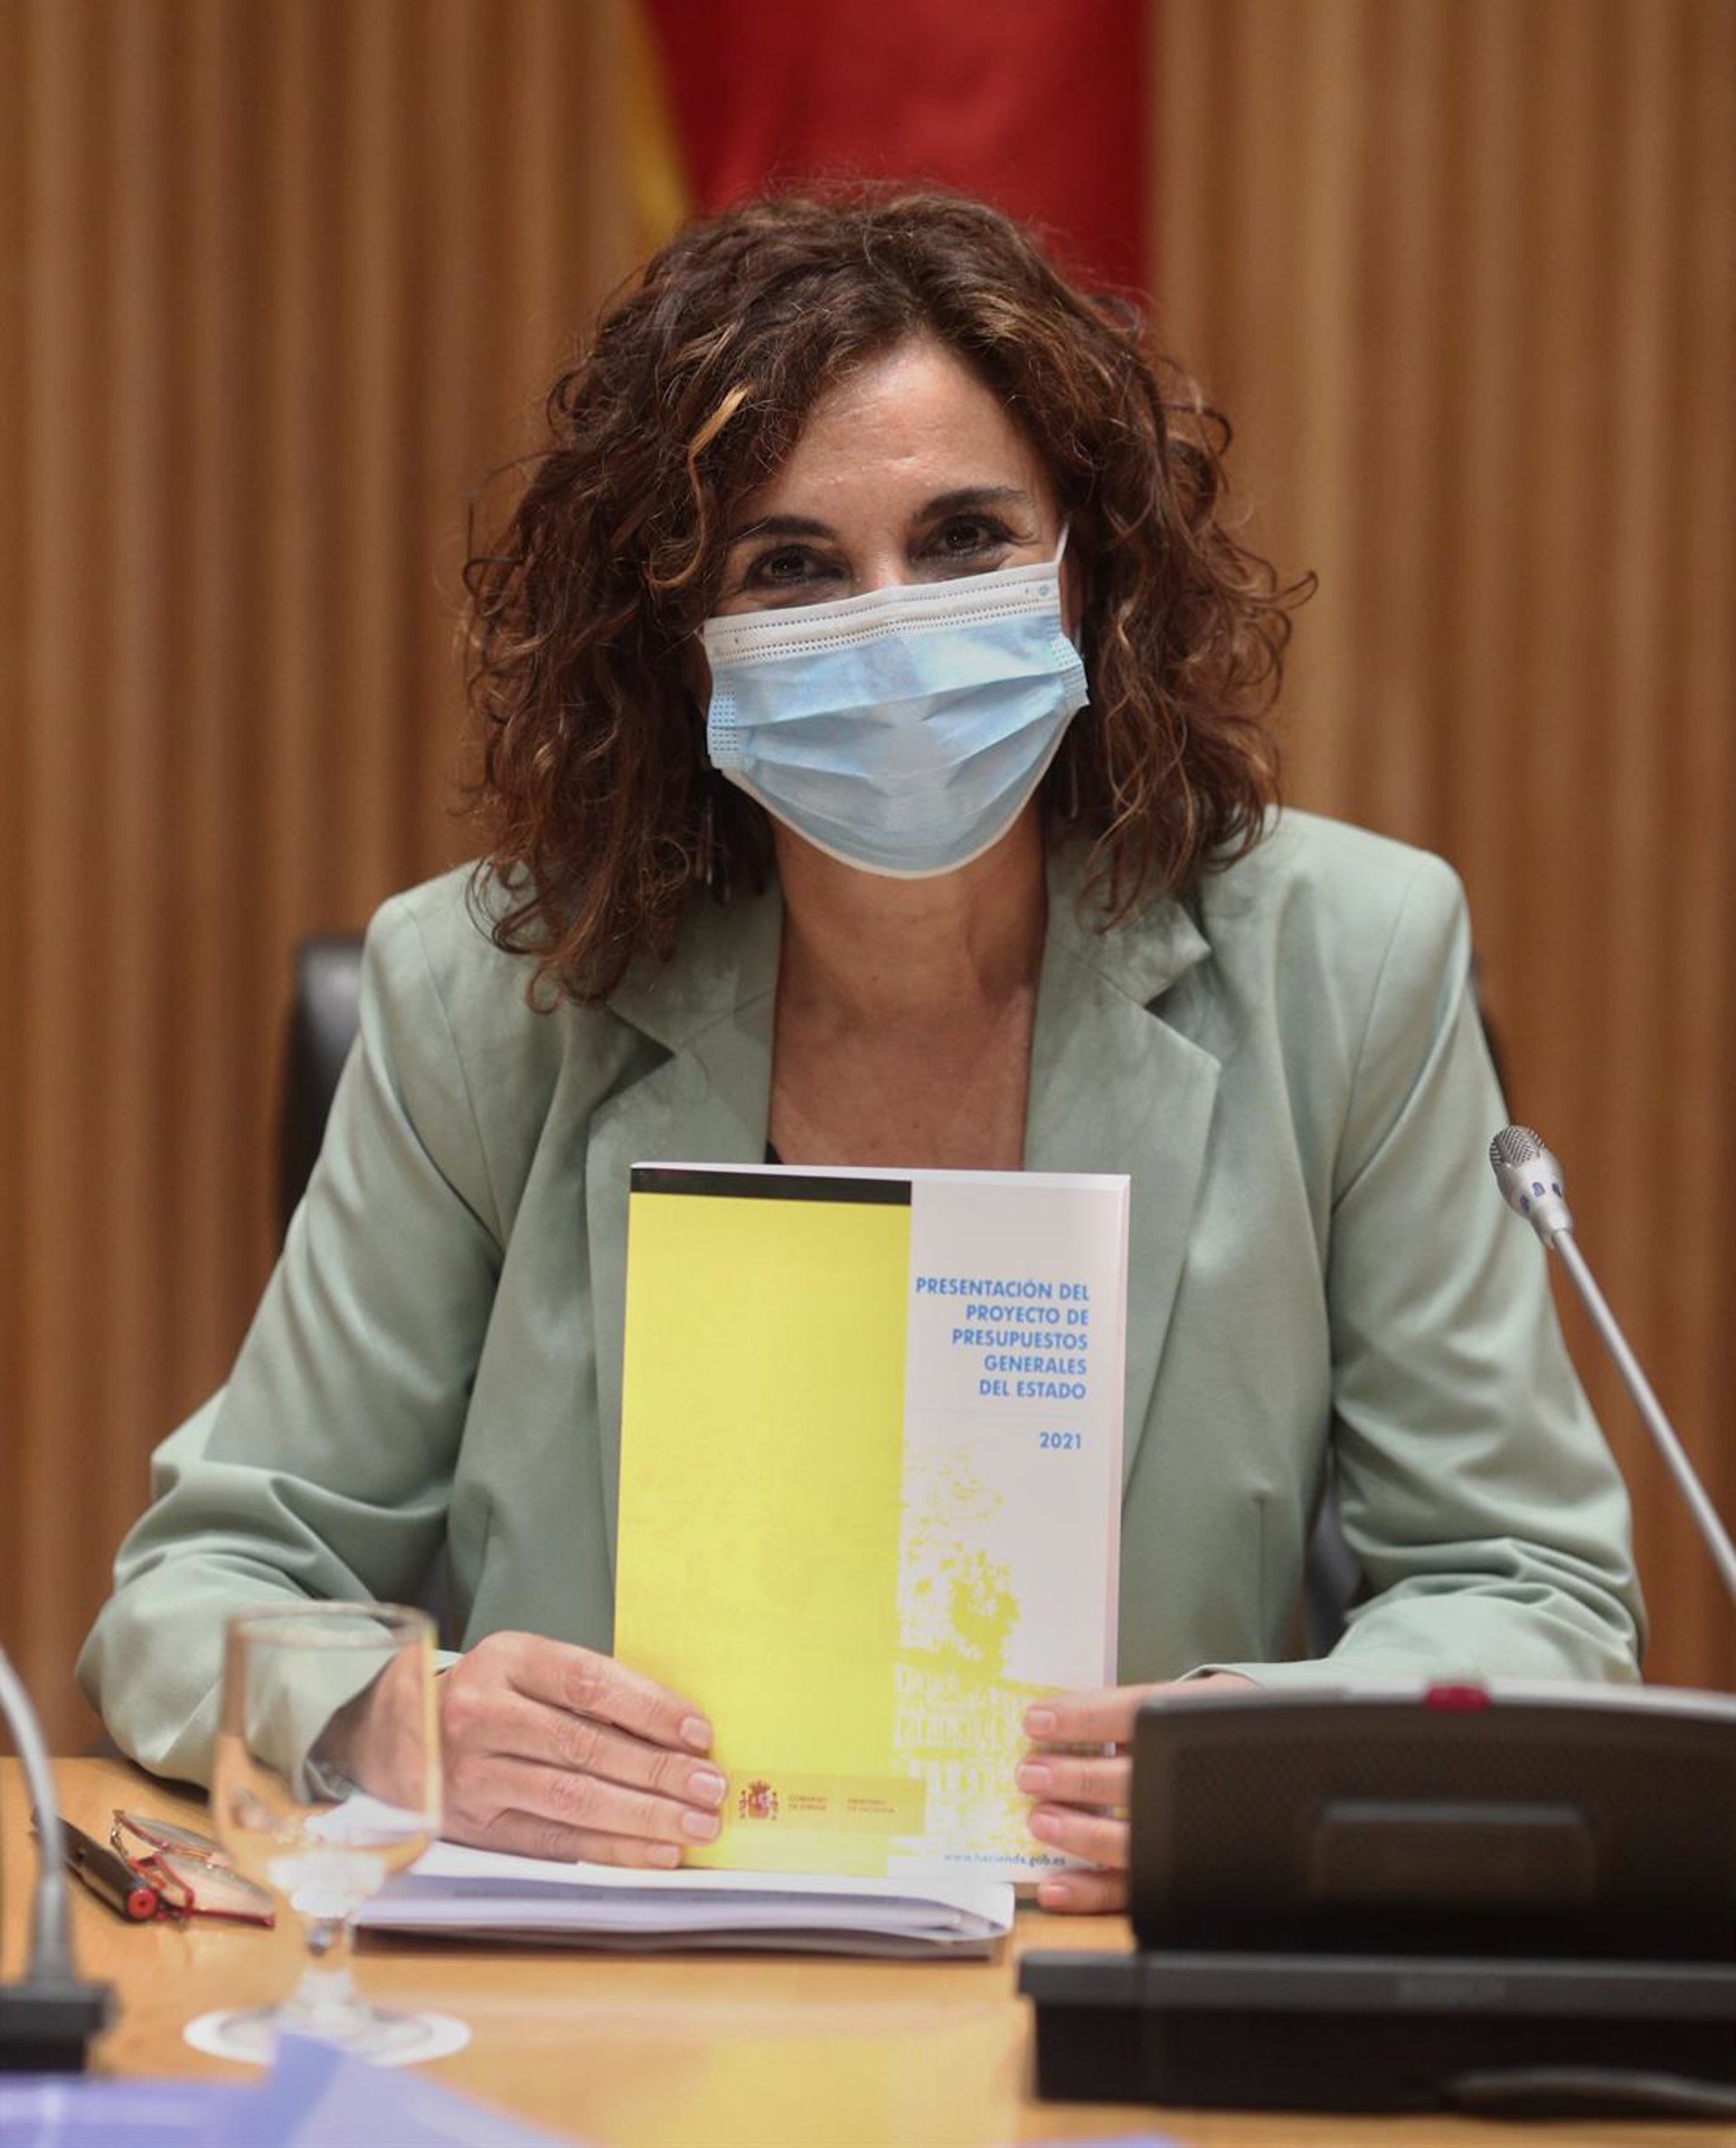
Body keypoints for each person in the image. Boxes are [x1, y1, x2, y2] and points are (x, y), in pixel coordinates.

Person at [80, 190, 1640, 1916]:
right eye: (793, 567)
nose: (892, 627)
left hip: (1105, 1973)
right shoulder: (487, 995)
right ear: (680, 643)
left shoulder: (1350, 964)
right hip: (604, 1996)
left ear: (1085, 573)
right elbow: (193, 1594)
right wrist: (402, 1719)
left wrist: (1269, 1763)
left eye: (965, 537)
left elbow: (1534, 1588)